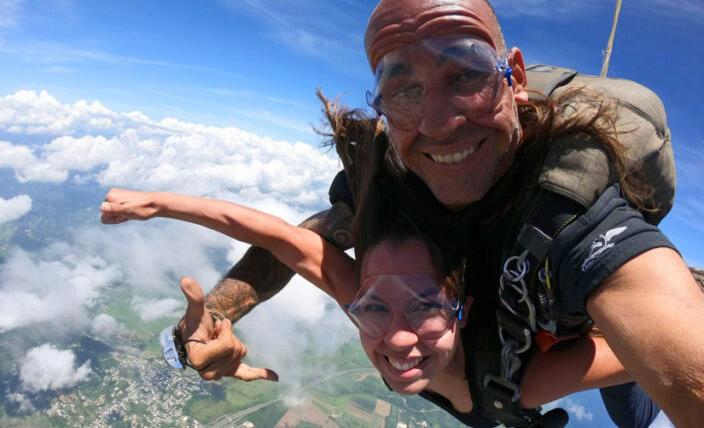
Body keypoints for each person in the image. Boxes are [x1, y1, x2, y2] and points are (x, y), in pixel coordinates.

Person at [171, 0, 704, 427]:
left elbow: (680, 356)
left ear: (515, 78)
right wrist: (213, 316)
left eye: (467, 74)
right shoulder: (397, 175)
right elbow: (312, 241)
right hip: (515, 352)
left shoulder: (576, 216)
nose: (438, 122)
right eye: (403, 90)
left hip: (584, 324)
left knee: (635, 402)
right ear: (382, 104)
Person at [100, 131, 636, 427]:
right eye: (374, 306)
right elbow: (284, 239)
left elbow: (651, 350)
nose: (398, 339)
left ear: (463, 309)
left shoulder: (523, 381)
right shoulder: (369, 299)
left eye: (426, 306)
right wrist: (159, 204)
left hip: (607, 340)